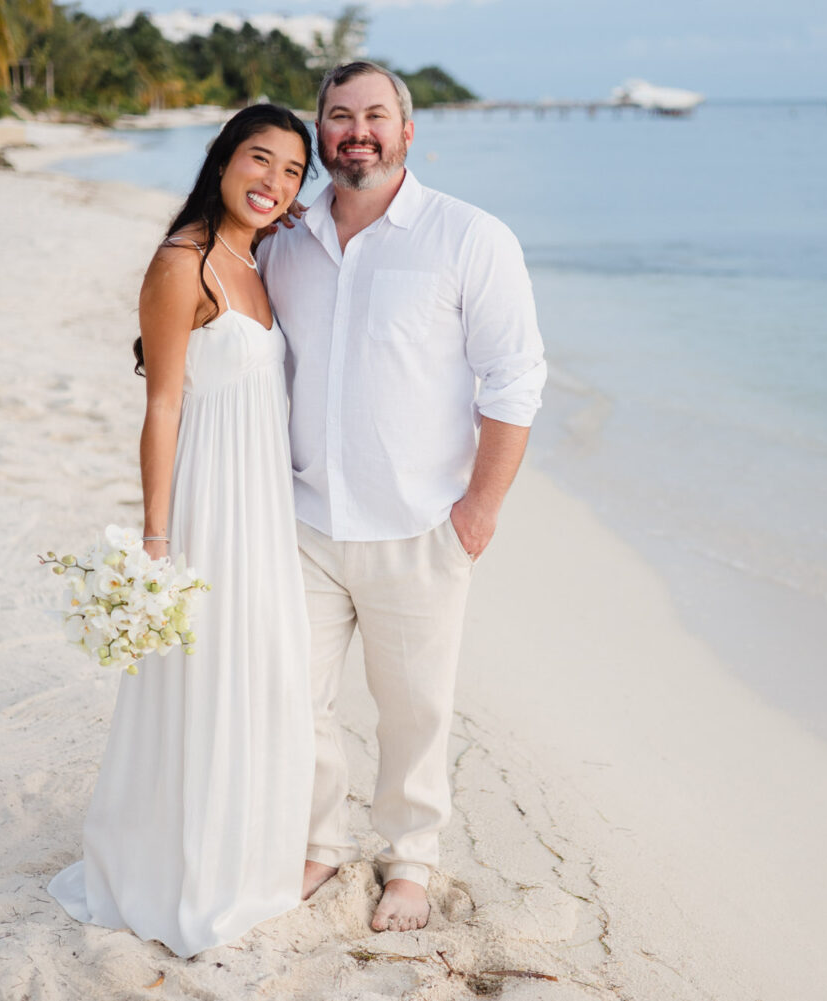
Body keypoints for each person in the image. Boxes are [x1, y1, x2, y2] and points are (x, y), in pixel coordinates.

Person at [256, 61, 546, 933]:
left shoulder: (469, 237)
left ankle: (410, 859)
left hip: (421, 527)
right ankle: (317, 842)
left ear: (408, 131)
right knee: (290, 697)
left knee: (414, 710)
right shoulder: (285, 239)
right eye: (339, 116)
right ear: (320, 134)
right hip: (306, 520)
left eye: (375, 115)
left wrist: (479, 510)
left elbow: (516, 379)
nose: (358, 131)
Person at [48, 104, 318, 958]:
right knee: (204, 676)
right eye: (260, 159)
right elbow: (162, 405)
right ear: (222, 159)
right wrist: (156, 539)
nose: (274, 182)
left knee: (262, 669)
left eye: (292, 171)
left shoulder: (261, 258)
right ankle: (178, 864)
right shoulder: (184, 262)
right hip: (207, 500)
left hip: (264, 505)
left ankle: (247, 852)